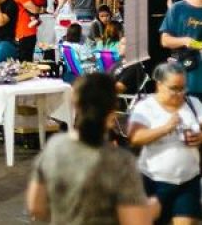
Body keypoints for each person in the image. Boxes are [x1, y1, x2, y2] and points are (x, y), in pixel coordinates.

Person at [28, 74, 158, 225]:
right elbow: (135, 221)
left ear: (75, 104)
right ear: (112, 112)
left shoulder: (54, 148)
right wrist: (153, 209)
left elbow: (36, 207)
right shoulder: (121, 161)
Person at [129, 62, 202, 225]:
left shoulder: (192, 103)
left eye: (183, 88)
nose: (179, 93)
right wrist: (165, 129)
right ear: (159, 85)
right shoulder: (146, 107)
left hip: (188, 181)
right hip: (154, 181)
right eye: (174, 88)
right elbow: (135, 137)